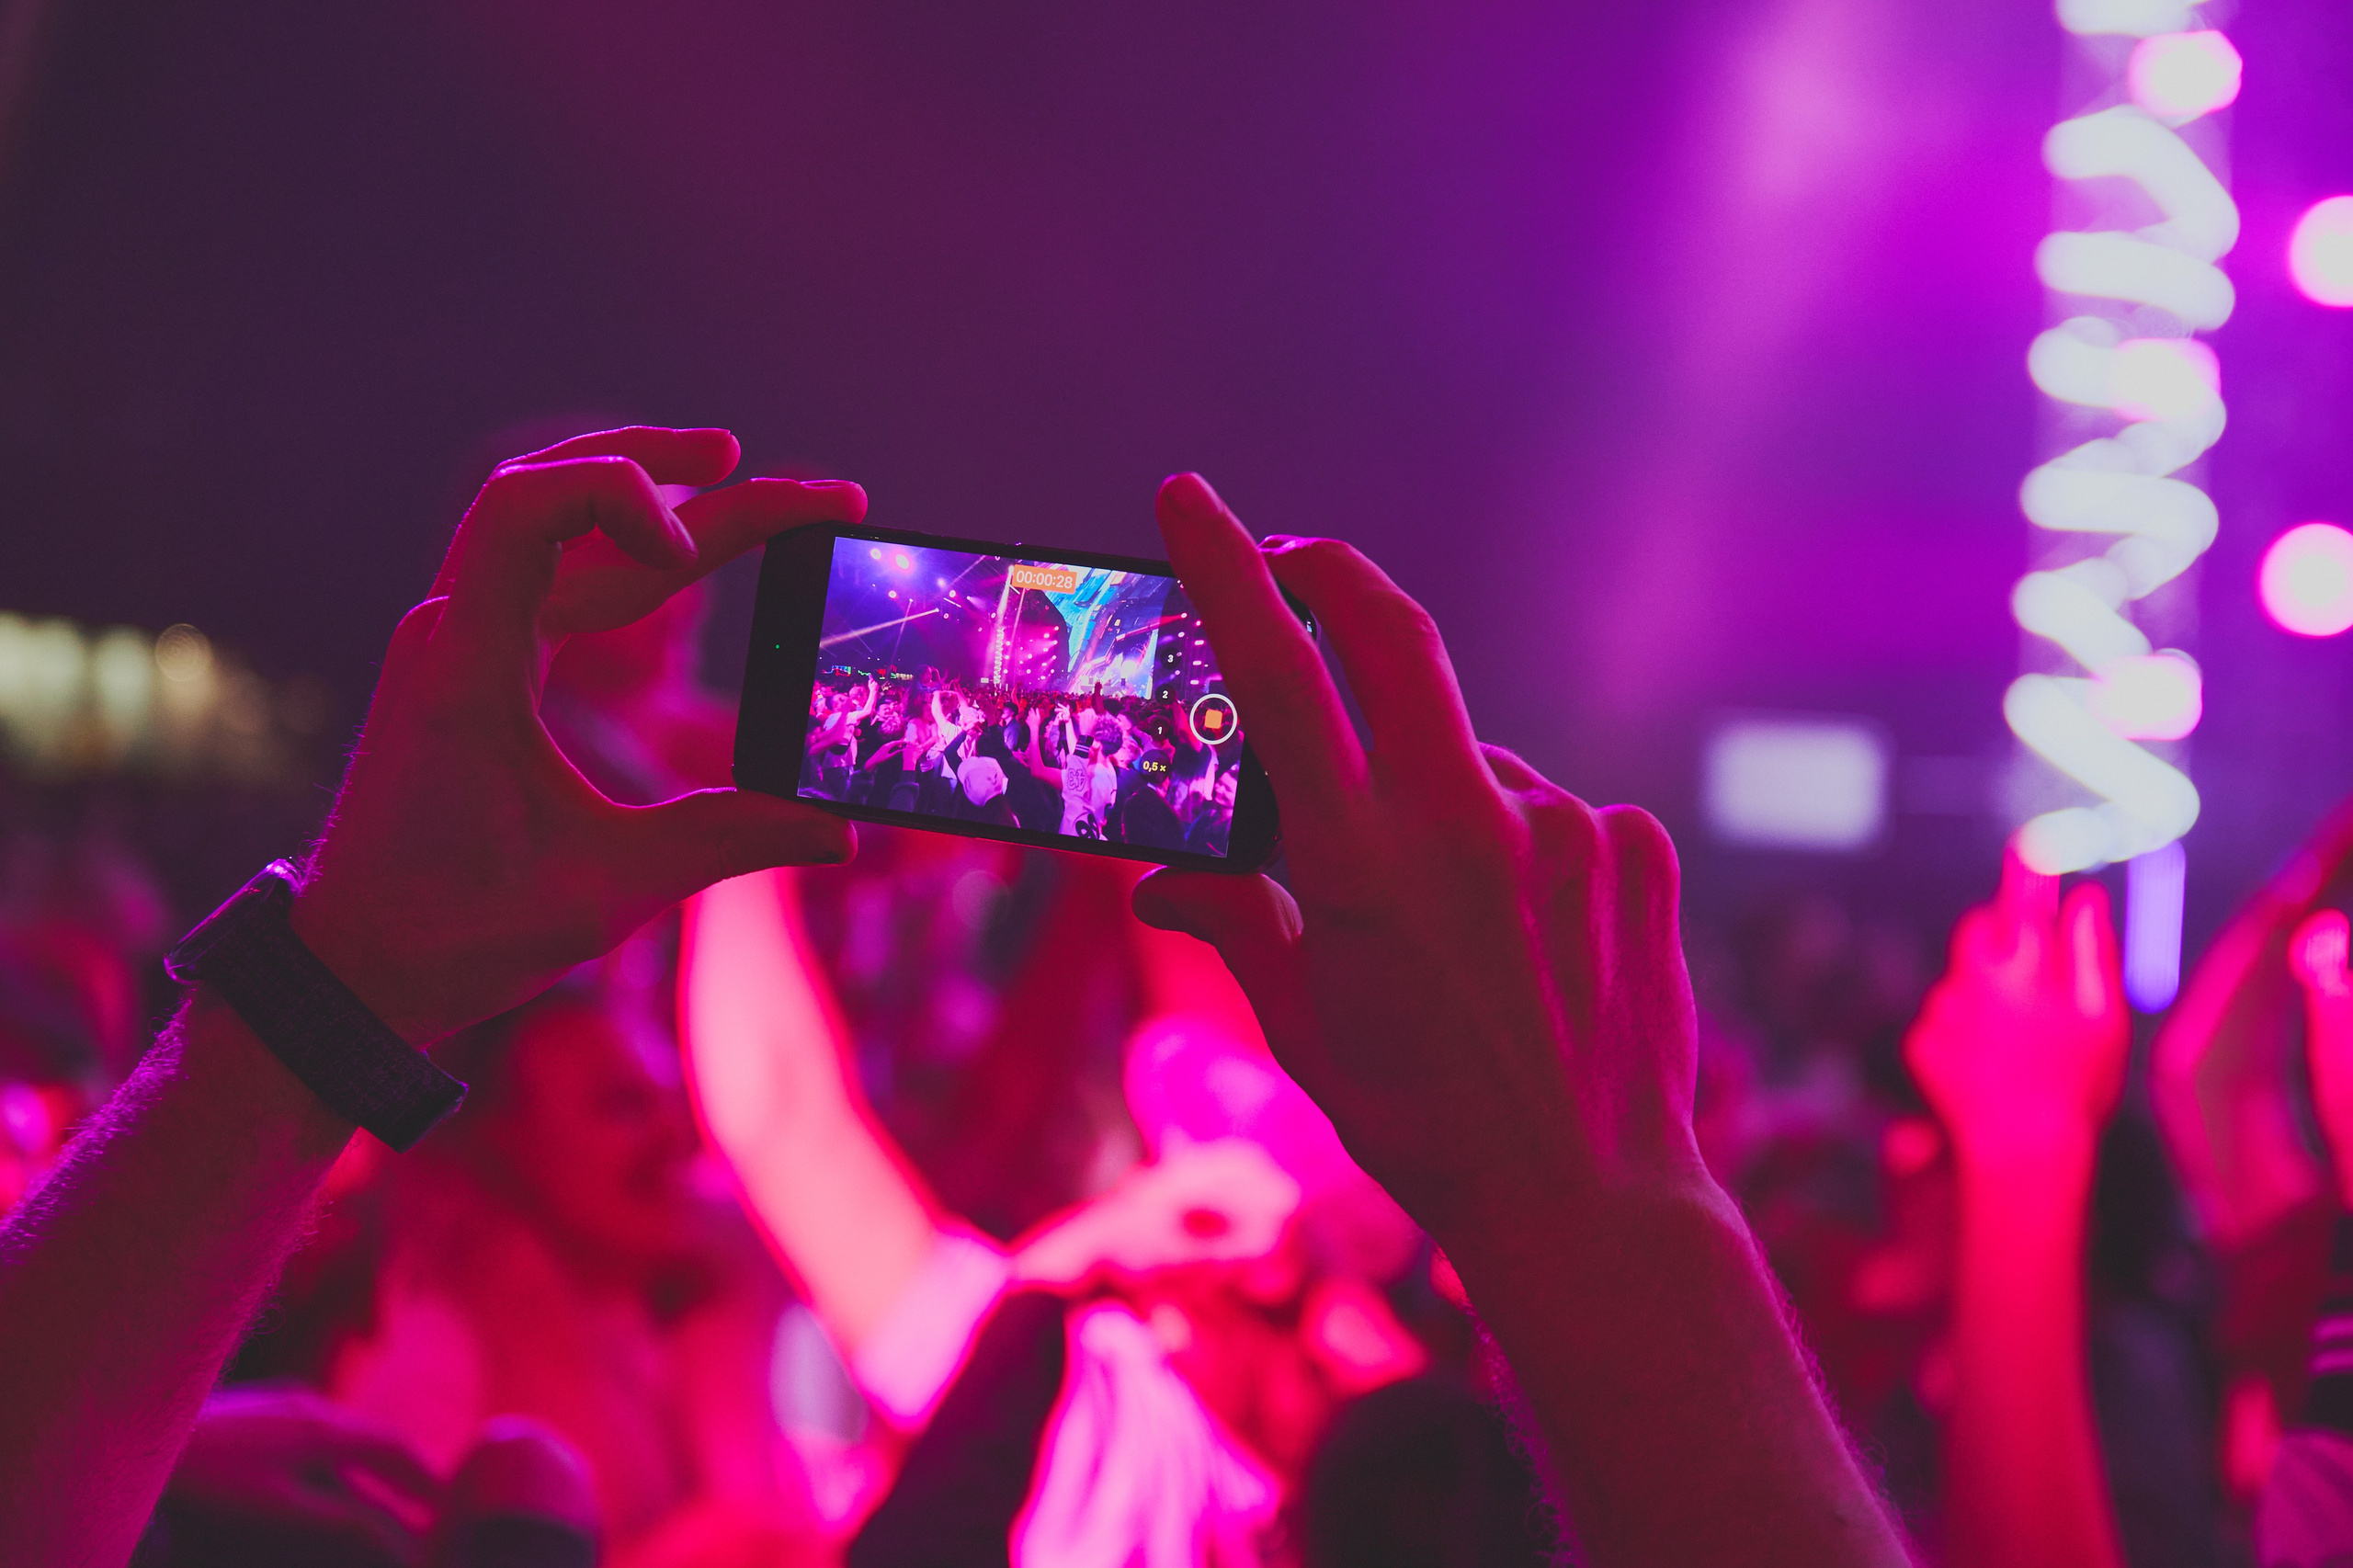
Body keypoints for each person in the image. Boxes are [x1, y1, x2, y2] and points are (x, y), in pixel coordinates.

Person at [0, 436, 1910, 1568]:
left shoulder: (1457, 1446)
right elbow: (782, 1110)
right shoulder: (1063, 1364)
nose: (1224, 1143)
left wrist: (1591, 1240)